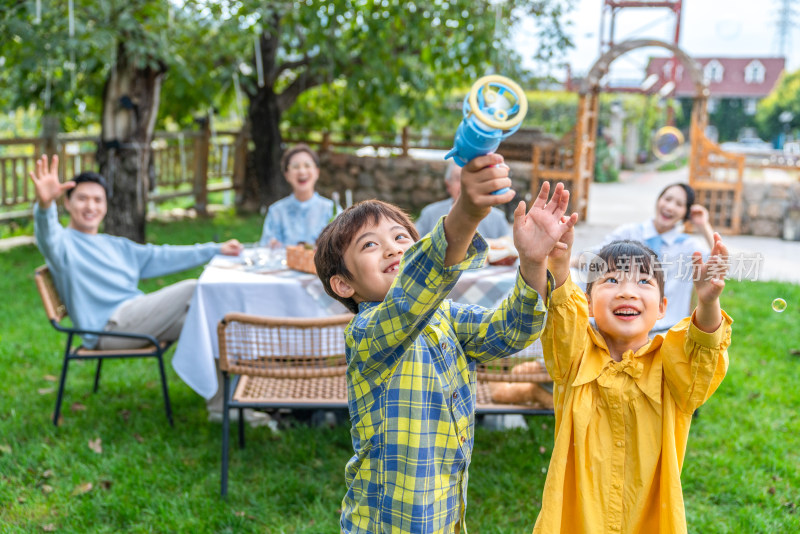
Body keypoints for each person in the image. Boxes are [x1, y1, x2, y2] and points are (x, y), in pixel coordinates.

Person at [314, 153, 577, 533]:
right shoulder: (368, 333)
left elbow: (512, 331)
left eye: (401, 237)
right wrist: (467, 210)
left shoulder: (445, 315)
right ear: (344, 284)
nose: (392, 248)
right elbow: (418, 286)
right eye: (369, 245)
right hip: (388, 523)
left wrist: (533, 262)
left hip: (445, 511)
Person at [533, 230, 732, 533]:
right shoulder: (573, 359)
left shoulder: (674, 370)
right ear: (586, 302)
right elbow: (562, 318)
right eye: (611, 280)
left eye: (643, 282)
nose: (627, 292)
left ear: (663, 306)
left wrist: (707, 304)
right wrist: (559, 265)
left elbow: (703, 354)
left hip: (649, 521)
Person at [29, 154, 242, 351]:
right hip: (108, 329)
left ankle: (225, 393)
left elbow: (162, 256)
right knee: (192, 288)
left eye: (97, 199)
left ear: (106, 205)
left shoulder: (116, 245)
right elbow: (47, 234)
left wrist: (214, 250)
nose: (90, 206)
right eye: (82, 198)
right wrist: (45, 205)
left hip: (136, 317)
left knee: (213, 324)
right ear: (67, 203)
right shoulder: (62, 245)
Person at [576, 182, 715, 333]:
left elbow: (719, 264)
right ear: (658, 200)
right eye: (667, 199)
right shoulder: (629, 233)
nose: (670, 207)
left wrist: (703, 225)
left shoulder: (688, 247)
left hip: (666, 331)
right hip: (621, 326)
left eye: (679, 204)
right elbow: (593, 257)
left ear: (685, 213)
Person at [258, 144, 341, 247]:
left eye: (307, 165)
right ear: (287, 175)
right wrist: (271, 246)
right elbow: (264, 249)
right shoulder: (276, 211)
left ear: (317, 172)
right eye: (295, 166)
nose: (302, 171)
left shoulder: (332, 210)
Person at [415, 160, 510, 238]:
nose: (465, 185)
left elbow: (511, 253)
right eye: (458, 178)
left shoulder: (497, 218)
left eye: (473, 180)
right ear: (448, 185)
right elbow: (413, 249)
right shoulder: (430, 214)